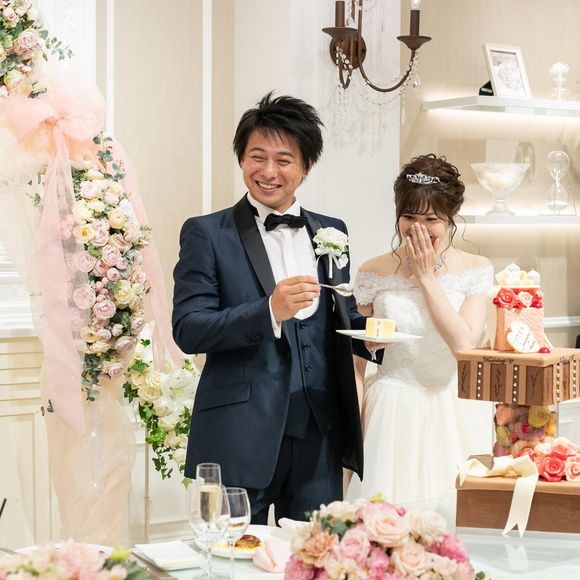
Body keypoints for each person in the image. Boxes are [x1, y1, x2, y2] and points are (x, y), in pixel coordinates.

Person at [172, 92, 374, 523]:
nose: (268, 172)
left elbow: (342, 317)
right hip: (239, 435)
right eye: (257, 157)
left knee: (314, 551)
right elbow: (189, 328)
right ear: (241, 159)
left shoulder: (332, 231)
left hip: (320, 434)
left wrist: (372, 336)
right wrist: (268, 311)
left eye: (283, 160)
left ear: (306, 166)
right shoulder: (207, 233)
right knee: (229, 551)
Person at [346, 154, 493, 506]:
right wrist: (352, 429)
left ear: (451, 218)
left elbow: (463, 344)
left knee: (452, 516)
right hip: (390, 410)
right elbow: (355, 361)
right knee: (384, 514)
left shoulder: (475, 268)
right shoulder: (373, 271)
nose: (418, 229)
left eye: (431, 219)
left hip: (452, 408)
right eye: (409, 217)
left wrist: (426, 276)